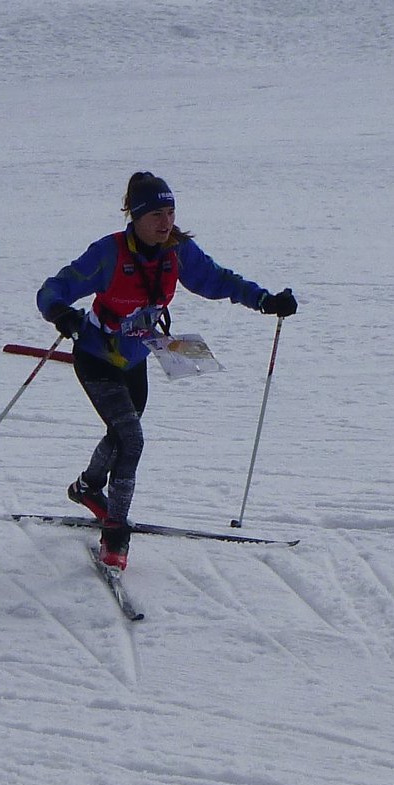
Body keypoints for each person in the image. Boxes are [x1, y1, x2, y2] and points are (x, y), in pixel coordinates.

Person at [36, 173, 297, 570]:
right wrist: (61, 313)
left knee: (122, 434)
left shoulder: (178, 251)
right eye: (156, 213)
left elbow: (217, 279)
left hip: (136, 359)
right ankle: (116, 533)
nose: (166, 222)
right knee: (132, 439)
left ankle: (88, 487)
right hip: (96, 357)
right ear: (135, 216)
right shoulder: (109, 253)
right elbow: (54, 288)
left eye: (171, 212)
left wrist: (264, 300)